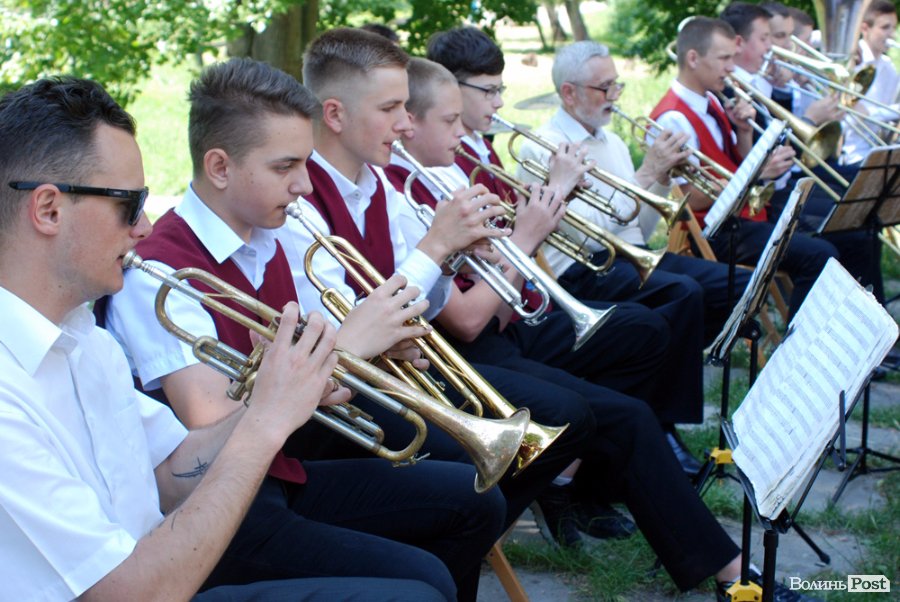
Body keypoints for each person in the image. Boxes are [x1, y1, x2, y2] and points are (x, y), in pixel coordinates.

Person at [388, 48, 818, 602]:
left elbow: (501, 297)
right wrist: (525, 238)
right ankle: (726, 570)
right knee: (616, 410)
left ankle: (580, 482)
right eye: (450, 119)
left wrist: (512, 247)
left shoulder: (449, 168)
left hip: (511, 320)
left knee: (644, 335)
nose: (468, 126)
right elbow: (469, 324)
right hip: (464, 351)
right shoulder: (405, 190)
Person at [0, 76, 451, 601]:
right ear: (49, 210)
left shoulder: (85, 339)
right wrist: (265, 420)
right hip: (151, 586)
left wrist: (284, 391)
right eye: (130, 204)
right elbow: (129, 593)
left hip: (171, 566)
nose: (145, 226)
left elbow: (170, 473)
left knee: (426, 578)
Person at [104, 57, 506, 602]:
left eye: (307, 162)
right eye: (285, 167)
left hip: (282, 474)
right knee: (423, 581)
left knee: (475, 502)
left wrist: (374, 348)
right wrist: (347, 349)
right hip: (217, 516)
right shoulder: (159, 273)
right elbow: (214, 425)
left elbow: (328, 340)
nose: (304, 184)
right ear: (219, 167)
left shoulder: (277, 231)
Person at [275, 28, 605, 553]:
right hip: (350, 397)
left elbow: (423, 298)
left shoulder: (378, 183)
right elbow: (347, 333)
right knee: (470, 478)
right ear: (334, 115)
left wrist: (452, 257)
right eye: (391, 109)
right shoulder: (298, 202)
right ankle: (450, 548)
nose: (406, 125)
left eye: (406, 107)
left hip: (401, 369)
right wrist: (437, 247)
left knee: (568, 418)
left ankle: (458, 548)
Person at [513, 41, 756, 450]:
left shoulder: (612, 142)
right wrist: (646, 175)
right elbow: (587, 236)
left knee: (733, 284)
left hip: (629, 258)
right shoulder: (545, 145)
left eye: (617, 85)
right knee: (684, 294)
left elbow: (637, 229)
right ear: (569, 93)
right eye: (603, 88)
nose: (614, 96)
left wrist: (659, 179)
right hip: (582, 269)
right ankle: (664, 425)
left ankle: (663, 376)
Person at [651, 16, 839, 321]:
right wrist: (758, 174)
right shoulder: (673, 118)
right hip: (715, 231)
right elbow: (688, 200)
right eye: (724, 58)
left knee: (837, 227)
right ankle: (798, 343)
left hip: (743, 215)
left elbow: (735, 162)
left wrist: (744, 132)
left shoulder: (711, 99)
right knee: (820, 256)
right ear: (693, 59)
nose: (731, 67)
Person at [721, 2, 886, 304]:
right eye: (769, 38)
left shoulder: (762, 80)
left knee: (864, 209)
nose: (776, 47)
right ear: (739, 43)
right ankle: (857, 312)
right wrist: (809, 118)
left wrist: (788, 88)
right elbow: (773, 153)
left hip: (782, 185)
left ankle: (867, 310)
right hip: (770, 197)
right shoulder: (733, 90)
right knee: (853, 229)